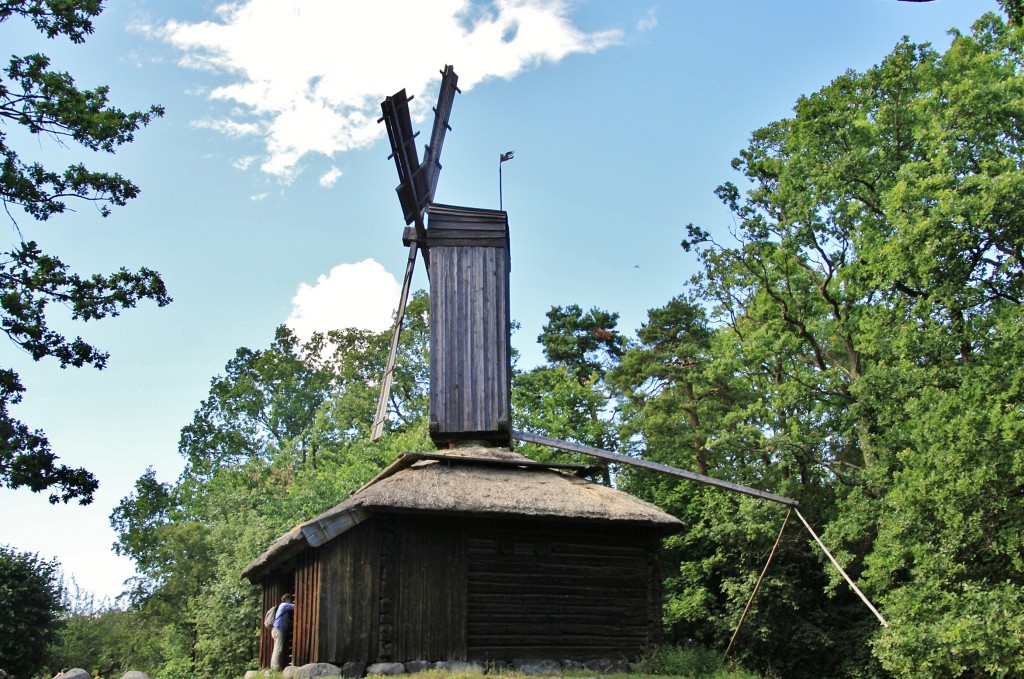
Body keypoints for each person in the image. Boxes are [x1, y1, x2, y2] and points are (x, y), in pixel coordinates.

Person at [270, 593, 295, 670]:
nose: (291, 601)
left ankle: (274, 666)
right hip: (278, 629)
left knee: (276, 648)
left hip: (276, 629)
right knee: (278, 648)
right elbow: (295, 606)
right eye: (290, 599)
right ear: (286, 599)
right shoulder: (284, 605)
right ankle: (275, 667)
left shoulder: (282, 606)